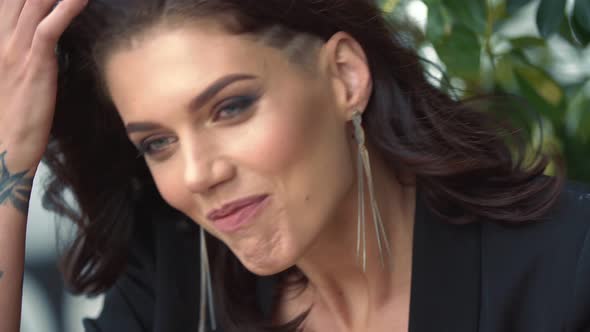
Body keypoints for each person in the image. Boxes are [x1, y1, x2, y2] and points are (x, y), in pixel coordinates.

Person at [1, 0, 589, 331]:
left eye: (230, 108)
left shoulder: (567, 272)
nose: (199, 172)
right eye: (158, 143)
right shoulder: (175, 284)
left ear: (344, 76)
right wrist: (10, 152)